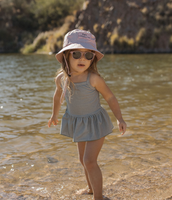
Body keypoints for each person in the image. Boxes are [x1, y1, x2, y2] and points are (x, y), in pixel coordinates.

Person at [48, 29, 127, 200]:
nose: (82, 59)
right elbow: (57, 96)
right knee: (83, 161)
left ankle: (98, 197)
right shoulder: (61, 78)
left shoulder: (93, 79)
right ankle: (91, 189)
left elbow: (110, 97)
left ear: (92, 59)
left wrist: (119, 118)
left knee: (90, 161)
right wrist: (54, 115)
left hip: (95, 122)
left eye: (88, 55)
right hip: (78, 123)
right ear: (67, 56)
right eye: (76, 54)